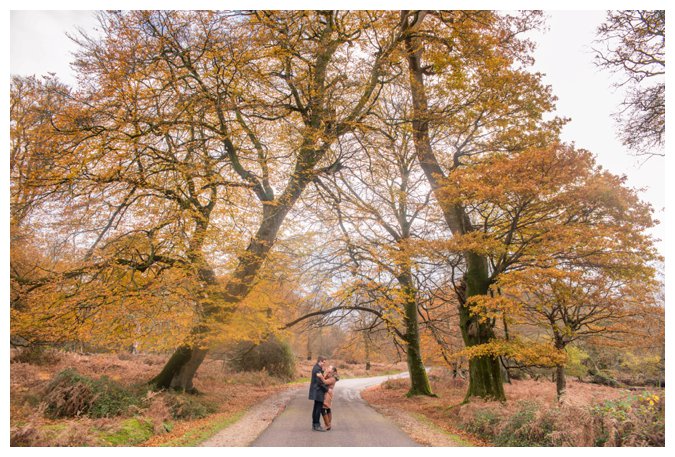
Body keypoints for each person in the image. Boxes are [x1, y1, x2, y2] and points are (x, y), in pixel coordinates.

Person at [308, 355, 327, 431]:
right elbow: (319, 382)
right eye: (323, 362)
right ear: (320, 361)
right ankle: (317, 425)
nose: (324, 364)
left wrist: (322, 371)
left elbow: (319, 379)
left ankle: (314, 424)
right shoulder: (317, 369)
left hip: (316, 390)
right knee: (318, 408)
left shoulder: (317, 368)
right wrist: (326, 389)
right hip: (318, 391)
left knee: (316, 408)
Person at [321, 366, 339, 430]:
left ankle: (327, 425)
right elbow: (325, 378)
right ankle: (328, 424)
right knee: (328, 408)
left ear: (333, 371)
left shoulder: (333, 378)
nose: (328, 368)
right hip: (328, 393)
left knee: (323, 408)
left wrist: (320, 376)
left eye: (330, 368)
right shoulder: (330, 376)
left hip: (328, 394)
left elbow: (324, 382)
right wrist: (326, 373)